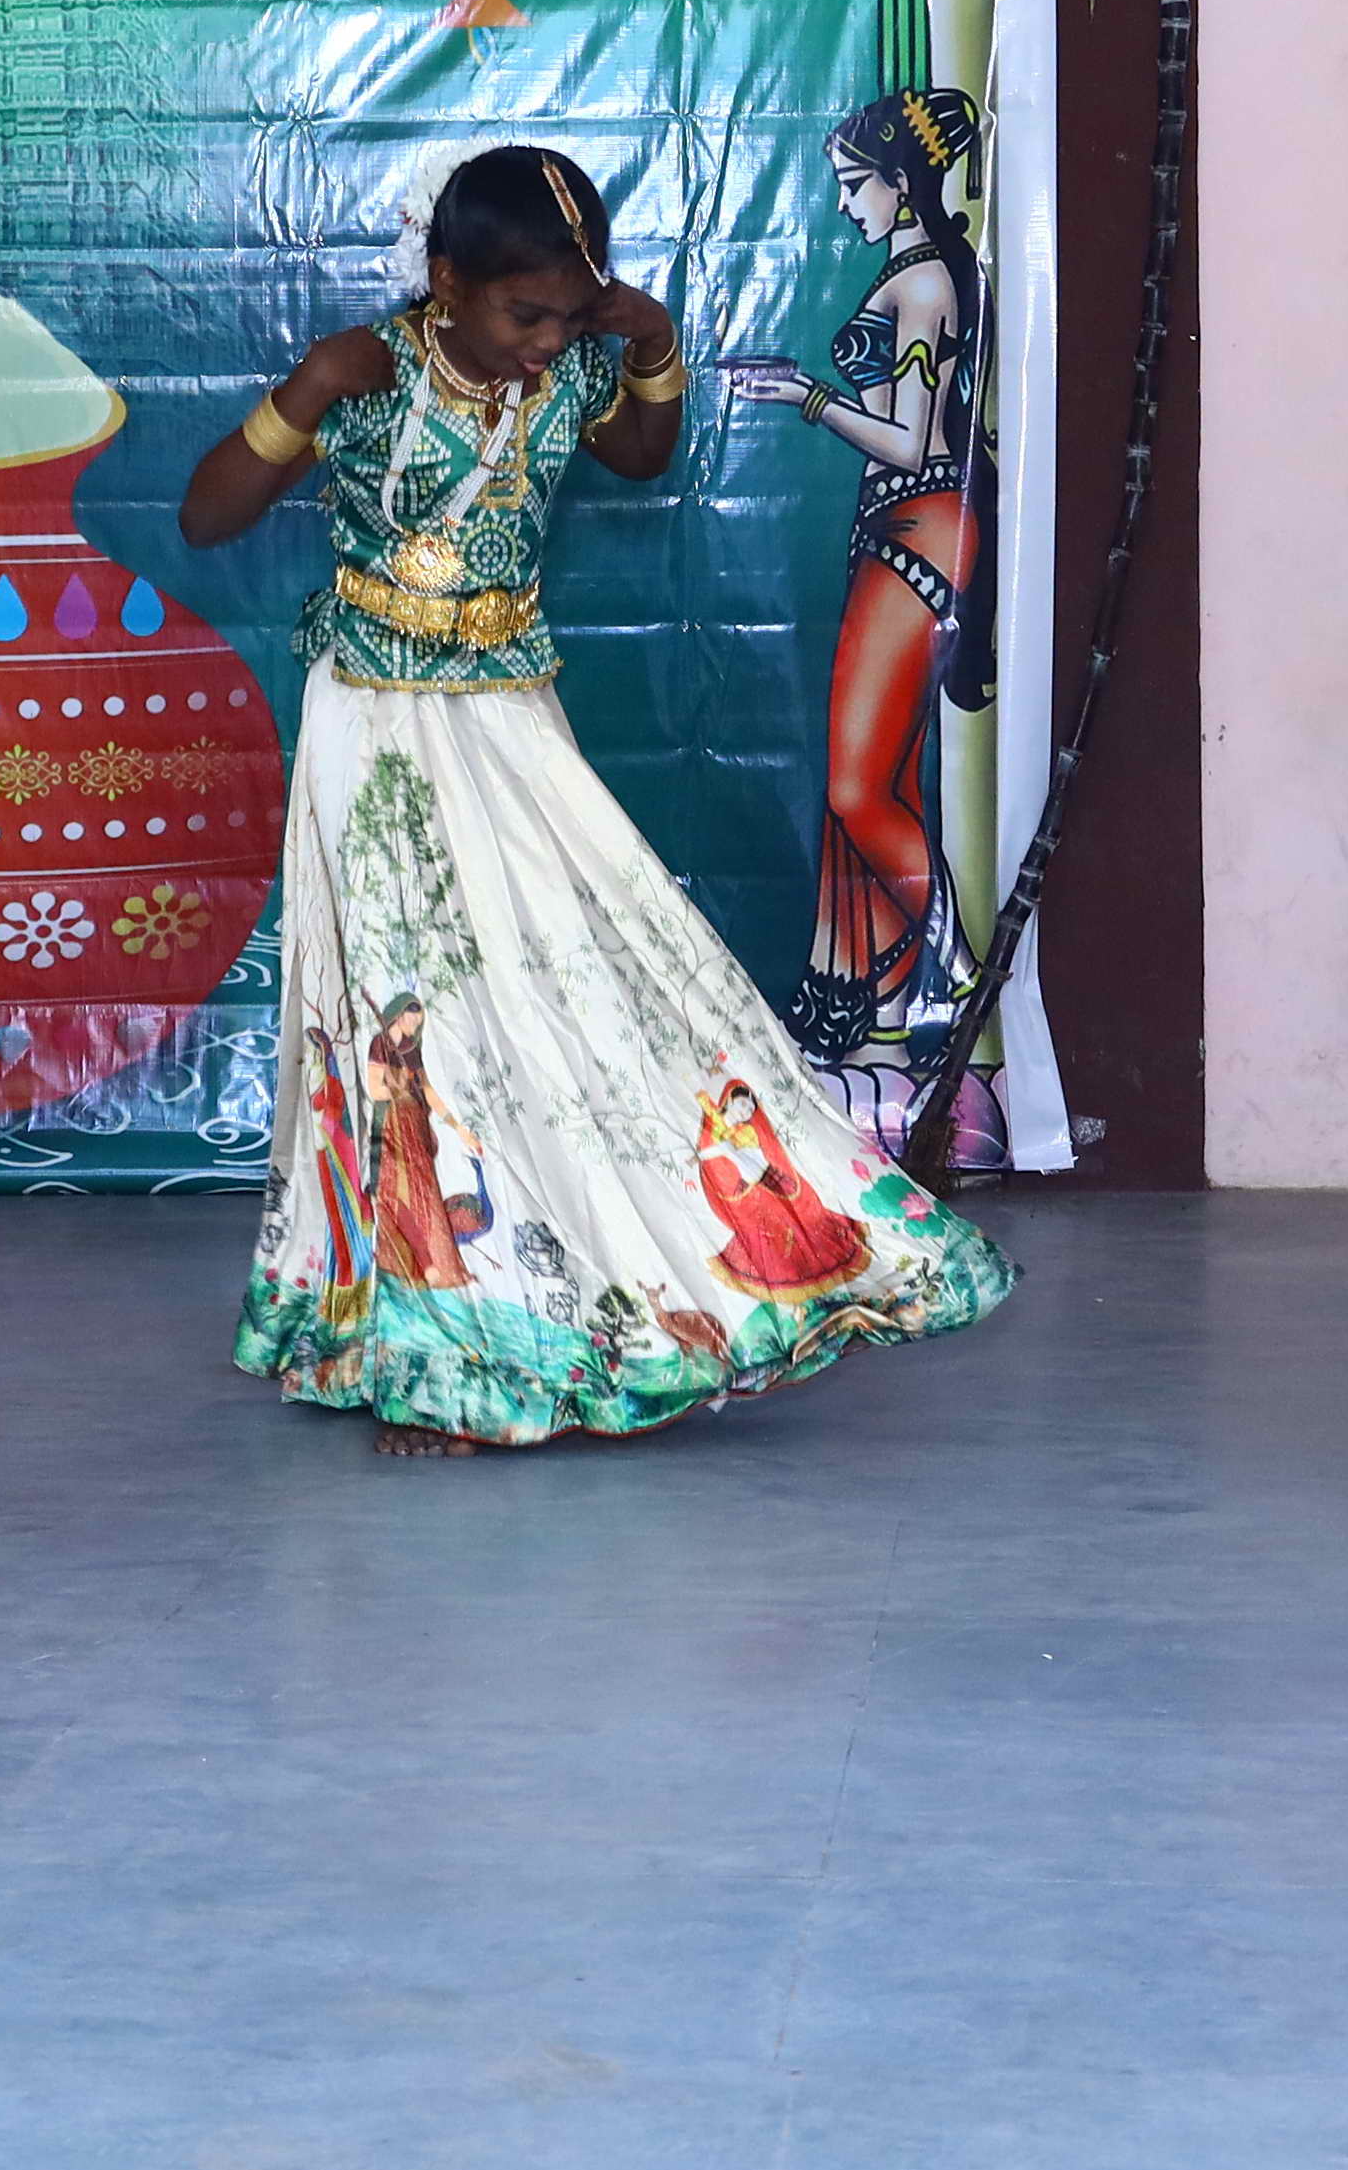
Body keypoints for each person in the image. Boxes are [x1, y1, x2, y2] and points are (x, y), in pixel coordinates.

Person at [182, 146, 1013, 1443]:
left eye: (573, 312)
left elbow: (635, 451)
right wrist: (303, 395)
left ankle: (582, 1294)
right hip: (379, 735)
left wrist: (652, 348)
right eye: (527, 315)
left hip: (513, 711)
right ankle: (445, 1348)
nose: (547, 341)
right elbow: (204, 517)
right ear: (446, 280)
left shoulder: (565, 364)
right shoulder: (369, 373)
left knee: (588, 976)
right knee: (415, 1023)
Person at [714, 86, 994, 1160]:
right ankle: (893, 1024)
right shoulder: (917, 271)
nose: (843, 206)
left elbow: (915, 436)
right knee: (876, 784)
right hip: (909, 528)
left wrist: (807, 399)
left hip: (919, 521)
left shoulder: (924, 279)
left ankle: (960, 973)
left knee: (854, 786)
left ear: (899, 180)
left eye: (851, 185)